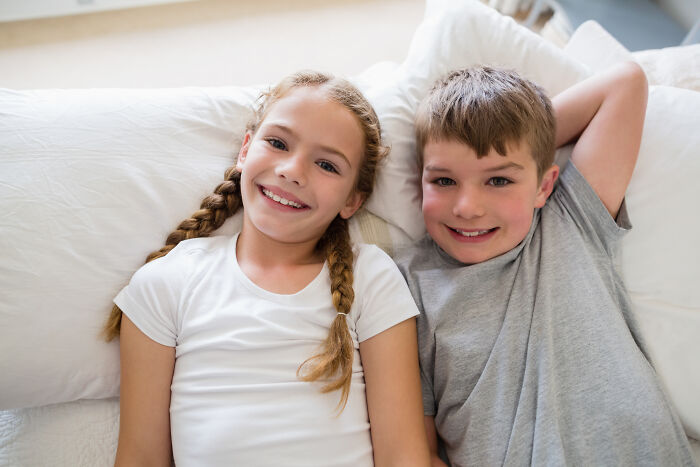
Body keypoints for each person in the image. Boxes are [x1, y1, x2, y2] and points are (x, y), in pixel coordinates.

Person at [104, 70, 431, 467]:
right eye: (277, 143)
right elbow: (140, 457)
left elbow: (404, 456)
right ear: (245, 150)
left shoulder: (372, 278)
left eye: (327, 165)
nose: (292, 170)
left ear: (352, 201)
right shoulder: (166, 282)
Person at [395, 63, 698, 466]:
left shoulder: (570, 220)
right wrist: (507, 160)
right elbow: (419, 451)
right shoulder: (406, 282)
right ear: (420, 180)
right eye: (444, 181)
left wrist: (522, 143)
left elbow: (624, 83)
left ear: (543, 186)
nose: (467, 207)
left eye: (499, 180)